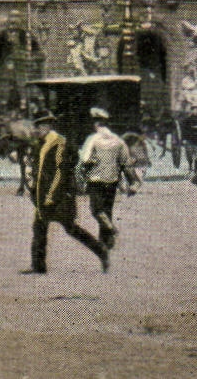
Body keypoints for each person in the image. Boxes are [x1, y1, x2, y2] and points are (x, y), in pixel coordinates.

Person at [23, 112, 109, 275]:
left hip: (60, 196)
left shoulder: (59, 142)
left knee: (71, 228)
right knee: (39, 228)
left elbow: (59, 172)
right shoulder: (42, 143)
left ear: (48, 126)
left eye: (41, 126)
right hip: (45, 194)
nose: (38, 129)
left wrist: (50, 196)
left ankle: (101, 251)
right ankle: (38, 266)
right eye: (37, 126)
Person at [77, 108, 128, 251]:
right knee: (107, 210)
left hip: (96, 180)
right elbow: (124, 160)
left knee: (96, 210)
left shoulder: (92, 139)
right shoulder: (117, 139)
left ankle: (111, 230)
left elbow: (85, 159)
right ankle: (106, 241)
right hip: (112, 180)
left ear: (96, 124)